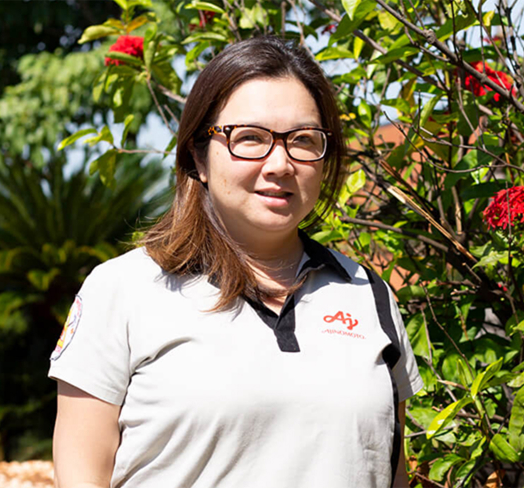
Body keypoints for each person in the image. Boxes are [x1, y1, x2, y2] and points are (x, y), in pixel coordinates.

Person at [50, 36, 424, 488]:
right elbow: (81, 475)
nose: (280, 164)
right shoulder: (124, 291)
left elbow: (393, 471)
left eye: (304, 140)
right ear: (197, 156)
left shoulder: (369, 295)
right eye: (250, 138)